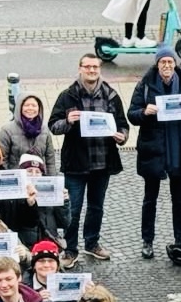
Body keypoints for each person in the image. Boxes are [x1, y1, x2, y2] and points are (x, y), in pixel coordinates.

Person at [50, 54, 129, 268]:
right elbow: (53, 126)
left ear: (99, 69)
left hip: (102, 163)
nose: (92, 70)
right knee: (73, 209)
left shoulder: (111, 95)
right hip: (76, 163)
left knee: (96, 207)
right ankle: (70, 249)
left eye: (95, 67)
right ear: (80, 68)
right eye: (88, 67)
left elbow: (123, 125)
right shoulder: (68, 96)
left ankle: (92, 243)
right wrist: (67, 121)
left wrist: (122, 137)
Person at [129, 44, 181, 261]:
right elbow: (132, 114)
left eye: (170, 62)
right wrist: (144, 112)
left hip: (179, 150)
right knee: (150, 199)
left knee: (179, 199)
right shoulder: (145, 85)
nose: (167, 65)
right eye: (163, 62)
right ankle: (147, 241)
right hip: (154, 150)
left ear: (175, 64)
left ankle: (180, 238)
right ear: (157, 64)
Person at [19, 154, 68, 249]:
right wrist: (29, 204)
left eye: (37, 172)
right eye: (29, 171)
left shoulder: (51, 192)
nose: (33, 175)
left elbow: (64, 223)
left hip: (50, 245)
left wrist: (64, 203)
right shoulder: (15, 197)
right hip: (27, 246)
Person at [0, 94, 57, 172]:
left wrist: (51, 177)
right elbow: (3, 159)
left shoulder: (44, 130)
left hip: (38, 175)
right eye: (26, 105)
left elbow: (50, 159)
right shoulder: (7, 130)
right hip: (16, 176)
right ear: (20, 107)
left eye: (34, 105)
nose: (30, 108)